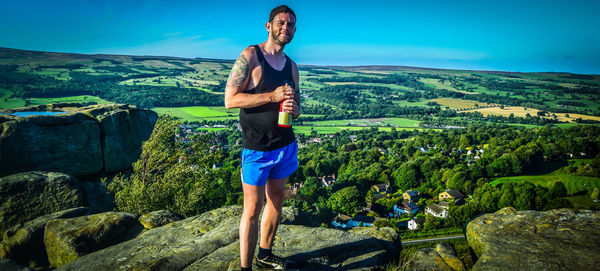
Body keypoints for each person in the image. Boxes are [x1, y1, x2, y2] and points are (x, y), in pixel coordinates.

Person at [224, 5, 300, 271]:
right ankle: (246, 268)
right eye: (281, 23)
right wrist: (272, 96)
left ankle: (264, 255)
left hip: (284, 145)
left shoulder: (291, 66)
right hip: (256, 148)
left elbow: (298, 107)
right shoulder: (251, 55)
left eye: (291, 24)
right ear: (268, 26)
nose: (285, 28)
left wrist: (293, 109)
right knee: (252, 209)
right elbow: (230, 100)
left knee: (276, 202)